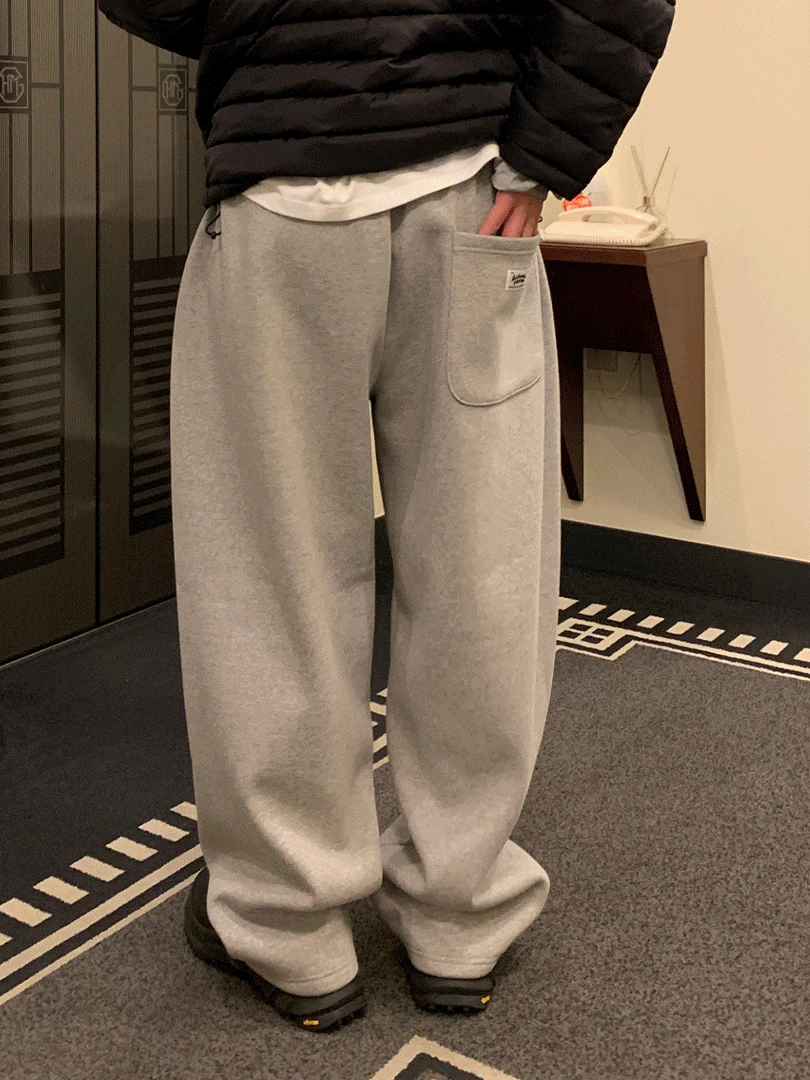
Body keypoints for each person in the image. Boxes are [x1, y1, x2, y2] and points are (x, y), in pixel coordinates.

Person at [100, 0, 676, 1034]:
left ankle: (291, 922)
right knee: (482, 566)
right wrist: (542, 155)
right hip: (469, 186)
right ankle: (460, 911)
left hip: (284, 186)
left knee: (270, 579)